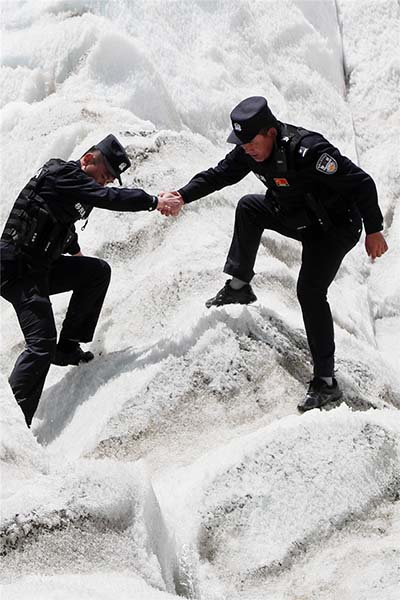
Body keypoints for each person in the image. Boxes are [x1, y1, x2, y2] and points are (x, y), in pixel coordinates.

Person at [159, 96, 388, 412]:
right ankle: (239, 287)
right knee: (250, 207)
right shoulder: (248, 151)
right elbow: (219, 174)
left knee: (309, 291)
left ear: (270, 132)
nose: (247, 149)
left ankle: (326, 382)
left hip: (333, 229)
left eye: (252, 141)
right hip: (297, 217)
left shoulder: (310, 151)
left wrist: (374, 230)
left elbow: (361, 183)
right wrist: (182, 195)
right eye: (242, 143)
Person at [0, 134, 178, 428]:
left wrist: (75, 251)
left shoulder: (70, 184)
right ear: (87, 160)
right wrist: (153, 201)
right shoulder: (63, 174)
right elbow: (108, 199)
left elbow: (58, 220)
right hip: (18, 269)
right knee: (40, 343)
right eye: (105, 175)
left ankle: (67, 348)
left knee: (96, 272)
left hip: (39, 266)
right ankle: (11, 427)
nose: (105, 183)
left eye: (110, 180)